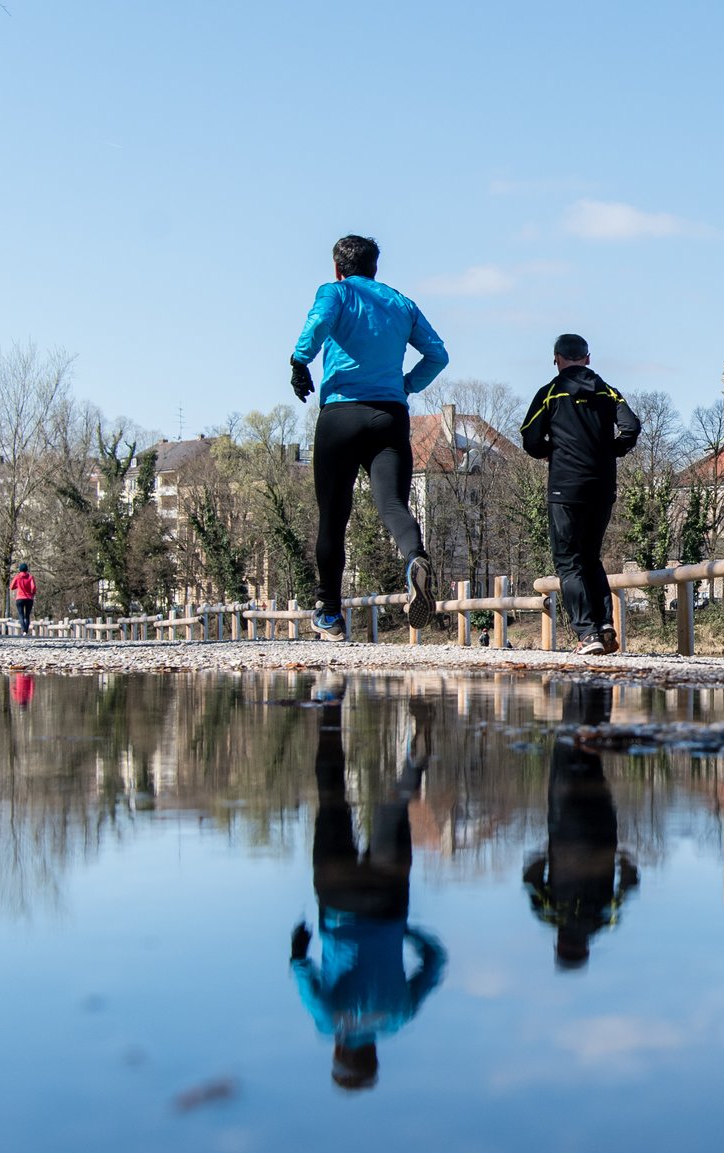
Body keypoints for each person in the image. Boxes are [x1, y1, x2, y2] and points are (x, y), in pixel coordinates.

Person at [290, 235, 448, 642]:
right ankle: (415, 557)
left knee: (334, 516)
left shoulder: (336, 292)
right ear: (375, 268)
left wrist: (300, 360)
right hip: (389, 415)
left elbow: (319, 321)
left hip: (341, 415)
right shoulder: (401, 303)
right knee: (393, 504)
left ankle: (329, 614)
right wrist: (407, 385)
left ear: (338, 268)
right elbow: (438, 354)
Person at [290, 687, 446, 1091]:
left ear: (374, 1053)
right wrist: (299, 944)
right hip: (338, 898)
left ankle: (418, 749)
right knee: (332, 800)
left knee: (395, 804)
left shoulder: (399, 1016)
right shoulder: (330, 1022)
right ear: (339, 1054)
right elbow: (300, 969)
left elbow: (436, 960)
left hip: (388, 900)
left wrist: (403, 930)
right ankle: (329, 706)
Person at [520, 334, 641, 656]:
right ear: (588, 358)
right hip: (602, 485)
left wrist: (553, 452)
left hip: (565, 486)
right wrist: (610, 451)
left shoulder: (549, 393)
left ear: (557, 359)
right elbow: (631, 426)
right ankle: (604, 625)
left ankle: (587, 634)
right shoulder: (607, 391)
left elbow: (530, 439)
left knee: (569, 562)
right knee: (591, 558)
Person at [524, 681, 639, 970]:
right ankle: (580, 683)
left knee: (592, 755)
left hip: (602, 830)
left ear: (585, 947)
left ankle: (598, 685)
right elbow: (531, 877)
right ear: (560, 945)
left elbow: (630, 882)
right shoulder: (552, 916)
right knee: (567, 748)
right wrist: (542, 854)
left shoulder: (604, 919)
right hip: (564, 829)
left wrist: (622, 856)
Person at [8, 563, 35, 636]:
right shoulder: (30, 577)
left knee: (21, 615)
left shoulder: (17, 577)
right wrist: (32, 594)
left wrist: (18, 585)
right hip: (29, 598)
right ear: (27, 569)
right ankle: (26, 630)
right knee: (27, 615)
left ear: (20, 569)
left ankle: (23, 630)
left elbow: (11, 587)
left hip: (20, 598)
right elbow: (33, 588)